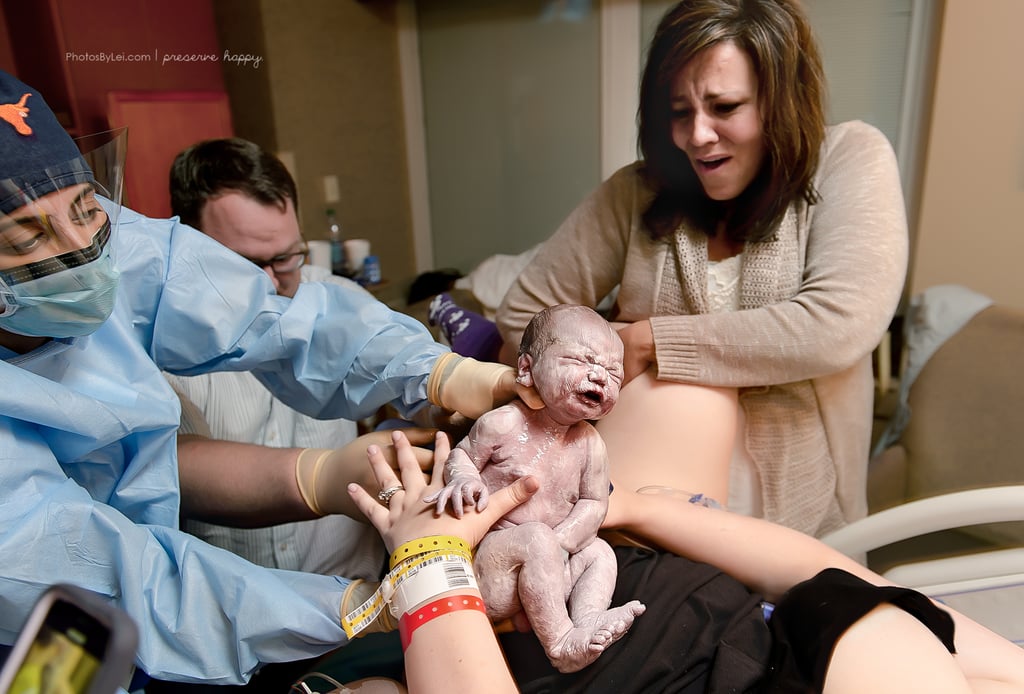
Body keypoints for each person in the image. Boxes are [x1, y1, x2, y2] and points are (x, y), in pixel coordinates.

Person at [0, 68, 520, 686]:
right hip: (52, 644)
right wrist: (347, 606)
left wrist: (443, 373)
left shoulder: (113, 243)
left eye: (87, 209)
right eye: (27, 235)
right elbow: (110, 576)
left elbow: (272, 319)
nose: (82, 252)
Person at [496, 0, 909, 538]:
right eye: (679, 111)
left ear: (781, 102)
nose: (697, 136)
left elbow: (837, 324)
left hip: (794, 503)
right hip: (640, 493)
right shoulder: (636, 191)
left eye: (725, 106)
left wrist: (649, 342)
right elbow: (524, 311)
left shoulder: (850, 157)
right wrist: (600, 350)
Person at [428, 305, 644, 673]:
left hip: (554, 568)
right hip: (495, 570)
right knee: (535, 540)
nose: (599, 376)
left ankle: (586, 619)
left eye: (613, 372)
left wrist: (563, 542)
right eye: (581, 360)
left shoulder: (590, 444)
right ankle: (560, 645)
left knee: (602, 553)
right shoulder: (502, 423)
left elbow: (595, 503)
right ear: (527, 369)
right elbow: (461, 456)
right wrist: (465, 478)